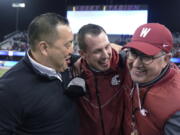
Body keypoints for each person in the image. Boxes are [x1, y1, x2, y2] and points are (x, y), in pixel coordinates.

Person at [0, 13, 80, 134]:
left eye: (72, 43)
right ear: (44, 48)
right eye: (67, 45)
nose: (72, 50)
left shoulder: (67, 62)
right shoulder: (9, 89)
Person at [122, 23, 180, 135]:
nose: (136, 64)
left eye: (146, 56)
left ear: (166, 60)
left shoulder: (176, 105)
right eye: (133, 53)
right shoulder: (132, 65)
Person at [74, 24, 125, 135]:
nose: (105, 55)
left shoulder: (125, 65)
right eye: (97, 51)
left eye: (107, 47)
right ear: (82, 54)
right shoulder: (73, 73)